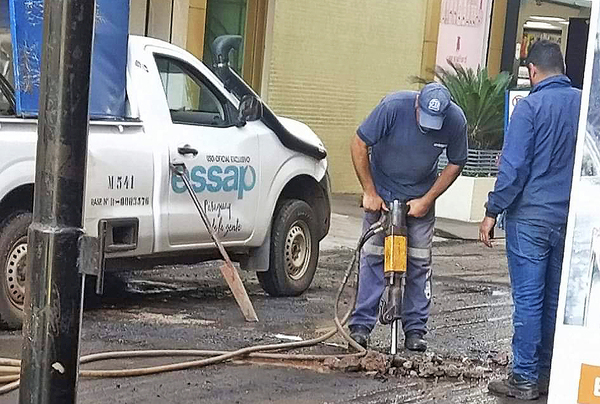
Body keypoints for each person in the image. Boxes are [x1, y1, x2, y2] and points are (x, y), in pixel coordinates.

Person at [480, 40, 582, 400]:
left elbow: (515, 168)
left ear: (531, 71)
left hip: (530, 220)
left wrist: (492, 211)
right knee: (554, 300)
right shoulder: (584, 104)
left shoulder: (530, 107)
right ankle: (548, 374)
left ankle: (523, 377)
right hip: (568, 219)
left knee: (528, 300)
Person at [349, 82, 468, 352]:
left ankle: (415, 329)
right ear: (417, 104)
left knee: (419, 261)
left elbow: (456, 162)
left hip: (420, 197)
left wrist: (427, 200)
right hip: (382, 193)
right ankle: (360, 326)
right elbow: (359, 143)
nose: (428, 127)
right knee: (372, 256)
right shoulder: (392, 108)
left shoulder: (455, 121)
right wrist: (369, 191)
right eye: (425, 118)